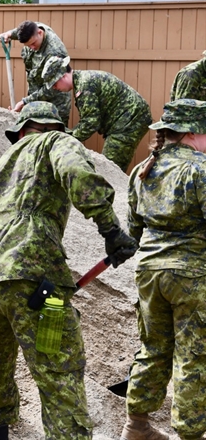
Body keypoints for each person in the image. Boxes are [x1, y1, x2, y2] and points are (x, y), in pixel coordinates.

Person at [0, 101, 138, 440]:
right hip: (35, 280)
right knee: (60, 376)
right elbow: (79, 176)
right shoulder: (56, 141)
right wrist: (112, 232)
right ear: (52, 126)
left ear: (21, 131)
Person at [121, 99, 206, 440]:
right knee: (193, 355)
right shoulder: (200, 170)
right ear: (191, 132)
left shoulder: (142, 170)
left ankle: (136, 426)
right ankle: (189, 435)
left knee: (152, 349)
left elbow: (135, 229)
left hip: (149, 273)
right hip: (192, 274)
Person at [42, 55, 152, 172]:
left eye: (54, 83)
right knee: (110, 167)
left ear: (62, 76)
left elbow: (91, 122)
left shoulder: (84, 87)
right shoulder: (82, 80)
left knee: (110, 169)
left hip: (130, 121)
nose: (54, 88)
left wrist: (67, 138)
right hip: (127, 119)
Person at [0, 20, 72, 125]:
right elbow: (23, 29)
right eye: (28, 46)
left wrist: (25, 102)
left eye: (33, 43)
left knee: (52, 136)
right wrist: (9, 34)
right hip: (37, 97)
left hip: (55, 103)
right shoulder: (36, 29)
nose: (32, 48)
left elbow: (50, 89)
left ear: (40, 33)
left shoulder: (55, 52)